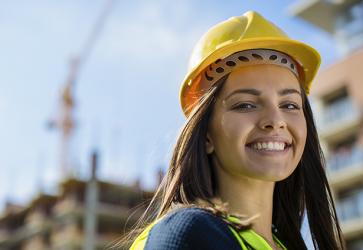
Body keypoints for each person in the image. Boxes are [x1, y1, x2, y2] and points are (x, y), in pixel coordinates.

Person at [124, 11, 345, 250]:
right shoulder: (189, 234)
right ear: (206, 134)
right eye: (246, 105)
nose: (275, 120)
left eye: (289, 105)